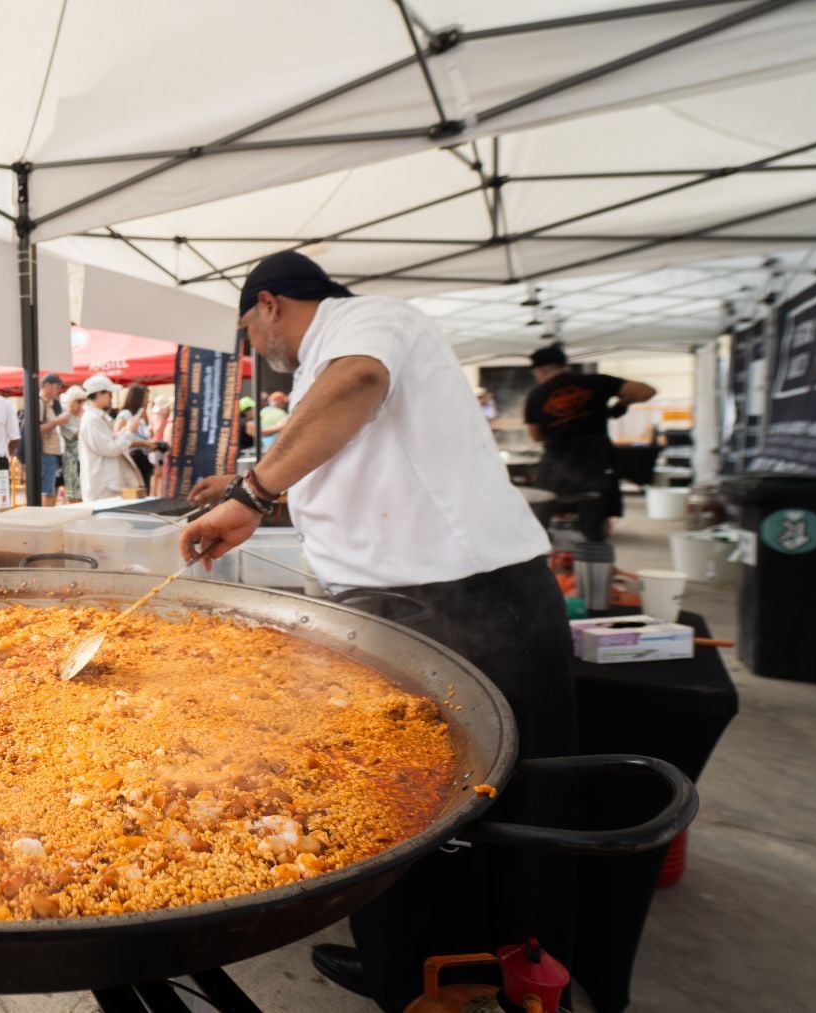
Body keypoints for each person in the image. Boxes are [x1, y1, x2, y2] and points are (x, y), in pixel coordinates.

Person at [179, 251, 574, 1011]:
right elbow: (358, 453)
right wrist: (258, 491)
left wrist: (251, 495)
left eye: (248, 329)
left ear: (269, 304)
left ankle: (481, 974)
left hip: (464, 602)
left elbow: (359, 382)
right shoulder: (325, 356)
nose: (255, 345)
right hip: (408, 604)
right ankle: (409, 965)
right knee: (405, 801)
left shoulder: (367, 321)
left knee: (455, 803)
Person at [524, 345, 655, 541]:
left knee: (543, 510)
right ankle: (592, 552)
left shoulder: (537, 394)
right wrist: (622, 404)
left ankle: (542, 552)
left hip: (557, 462)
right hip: (595, 461)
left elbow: (535, 436)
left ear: (541, 370)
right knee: (593, 512)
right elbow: (646, 391)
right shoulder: (596, 381)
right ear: (564, 366)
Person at [78, 374, 158, 501]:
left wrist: (127, 430)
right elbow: (111, 449)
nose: (111, 398)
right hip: (103, 489)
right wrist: (129, 431)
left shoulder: (97, 418)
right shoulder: (92, 420)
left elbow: (111, 442)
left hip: (107, 486)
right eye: (109, 394)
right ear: (99, 394)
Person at [33, 373, 70, 506]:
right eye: (57, 387)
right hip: (46, 453)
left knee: (51, 492)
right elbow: (35, 430)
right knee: (47, 493)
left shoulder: (52, 404)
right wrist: (57, 422)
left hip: (53, 453)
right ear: (47, 386)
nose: (59, 390)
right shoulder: (39, 402)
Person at [115, 382, 155, 490]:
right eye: (145, 398)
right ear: (138, 399)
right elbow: (117, 438)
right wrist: (143, 443)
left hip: (143, 460)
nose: (147, 401)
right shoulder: (125, 415)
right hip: (133, 460)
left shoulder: (141, 416)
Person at [57, 385, 87, 505]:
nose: (81, 405)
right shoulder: (65, 418)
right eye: (79, 401)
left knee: (85, 494)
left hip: (84, 460)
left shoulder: (83, 416)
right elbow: (77, 435)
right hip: (72, 462)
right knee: (73, 496)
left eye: (83, 401)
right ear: (71, 401)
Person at [149, 392, 175, 495]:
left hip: (161, 446)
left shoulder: (161, 416)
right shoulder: (157, 415)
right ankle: (154, 494)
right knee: (157, 473)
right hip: (157, 446)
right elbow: (157, 430)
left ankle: (157, 494)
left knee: (160, 473)